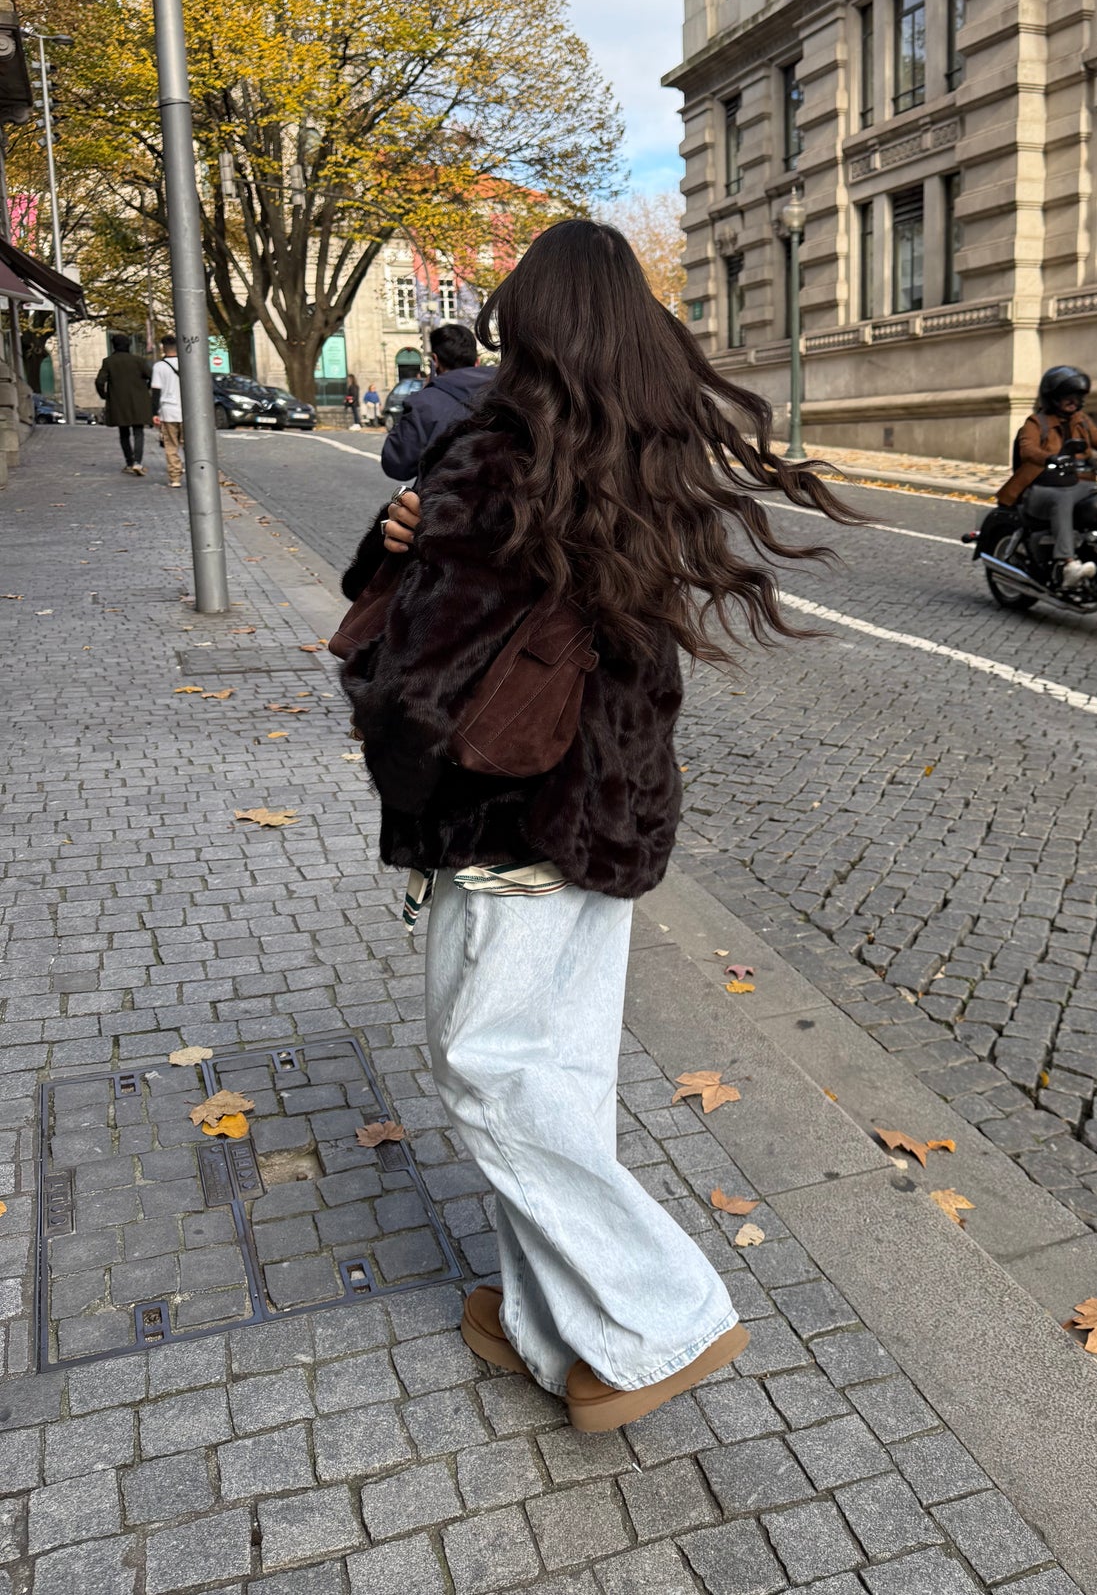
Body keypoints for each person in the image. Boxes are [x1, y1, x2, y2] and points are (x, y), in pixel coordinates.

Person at [340, 218, 856, 1432]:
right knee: (556, 1077)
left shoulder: (496, 454)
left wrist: (399, 762)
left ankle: (656, 1316)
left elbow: (423, 674)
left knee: (488, 1073)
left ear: (534, 331)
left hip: (505, 813)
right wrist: (404, 535)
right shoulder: (635, 454)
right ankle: (547, 1330)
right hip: (607, 805)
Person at [996, 365, 1097, 585]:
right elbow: (1027, 449)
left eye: (1077, 396)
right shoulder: (1036, 423)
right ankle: (1068, 564)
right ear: (1052, 397)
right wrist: (1049, 458)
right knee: (1062, 497)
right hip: (1040, 489)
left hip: (1079, 484)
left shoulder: (1081, 421)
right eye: (1067, 396)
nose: (1073, 401)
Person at [379, 322, 497, 480]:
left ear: (435, 361)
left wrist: (426, 392)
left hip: (444, 500)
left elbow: (396, 464)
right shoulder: (511, 392)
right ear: (477, 361)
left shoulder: (426, 403)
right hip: (508, 500)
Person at [94, 334, 153, 476]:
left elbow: (99, 381)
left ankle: (129, 462)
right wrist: (146, 390)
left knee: (124, 433)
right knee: (139, 432)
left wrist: (106, 396)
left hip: (118, 403)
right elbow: (152, 376)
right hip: (139, 401)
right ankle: (138, 462)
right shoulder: (139, 361)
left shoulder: (109, 362)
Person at [150, 335, 184, 487]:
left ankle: (175, 477)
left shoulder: (159, 367)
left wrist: (154, 413)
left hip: (168, 411)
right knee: (190, 445)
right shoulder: (187, 364)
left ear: (163, 347)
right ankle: (196, 473)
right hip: (188, 412)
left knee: (171, 445)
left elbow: (156, 391)